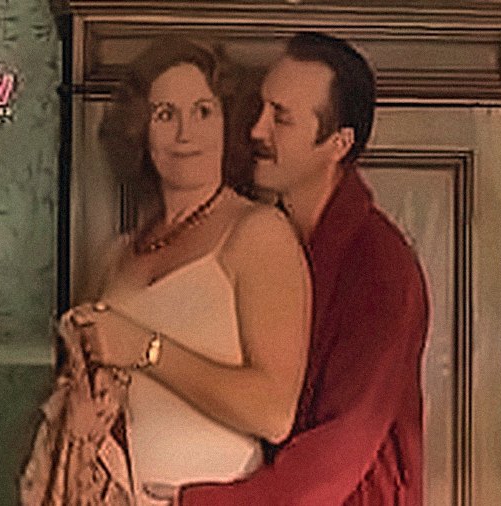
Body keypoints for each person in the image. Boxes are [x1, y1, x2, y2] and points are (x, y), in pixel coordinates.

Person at [20, 37, 312, 505]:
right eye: (164, 115)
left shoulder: (259, 233)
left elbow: (274, 413)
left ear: (229, 123)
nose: (184, 134)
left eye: (203, 112)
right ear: (141, 130)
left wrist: (146, 349)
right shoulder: (115, 255)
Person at [173, 32, 430, 505]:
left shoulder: (382, 268)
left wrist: (195, 503)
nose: (256, 130)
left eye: (281, 117)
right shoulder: (259, 240)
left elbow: (339, 449)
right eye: (261, 109)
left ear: (338, 143)